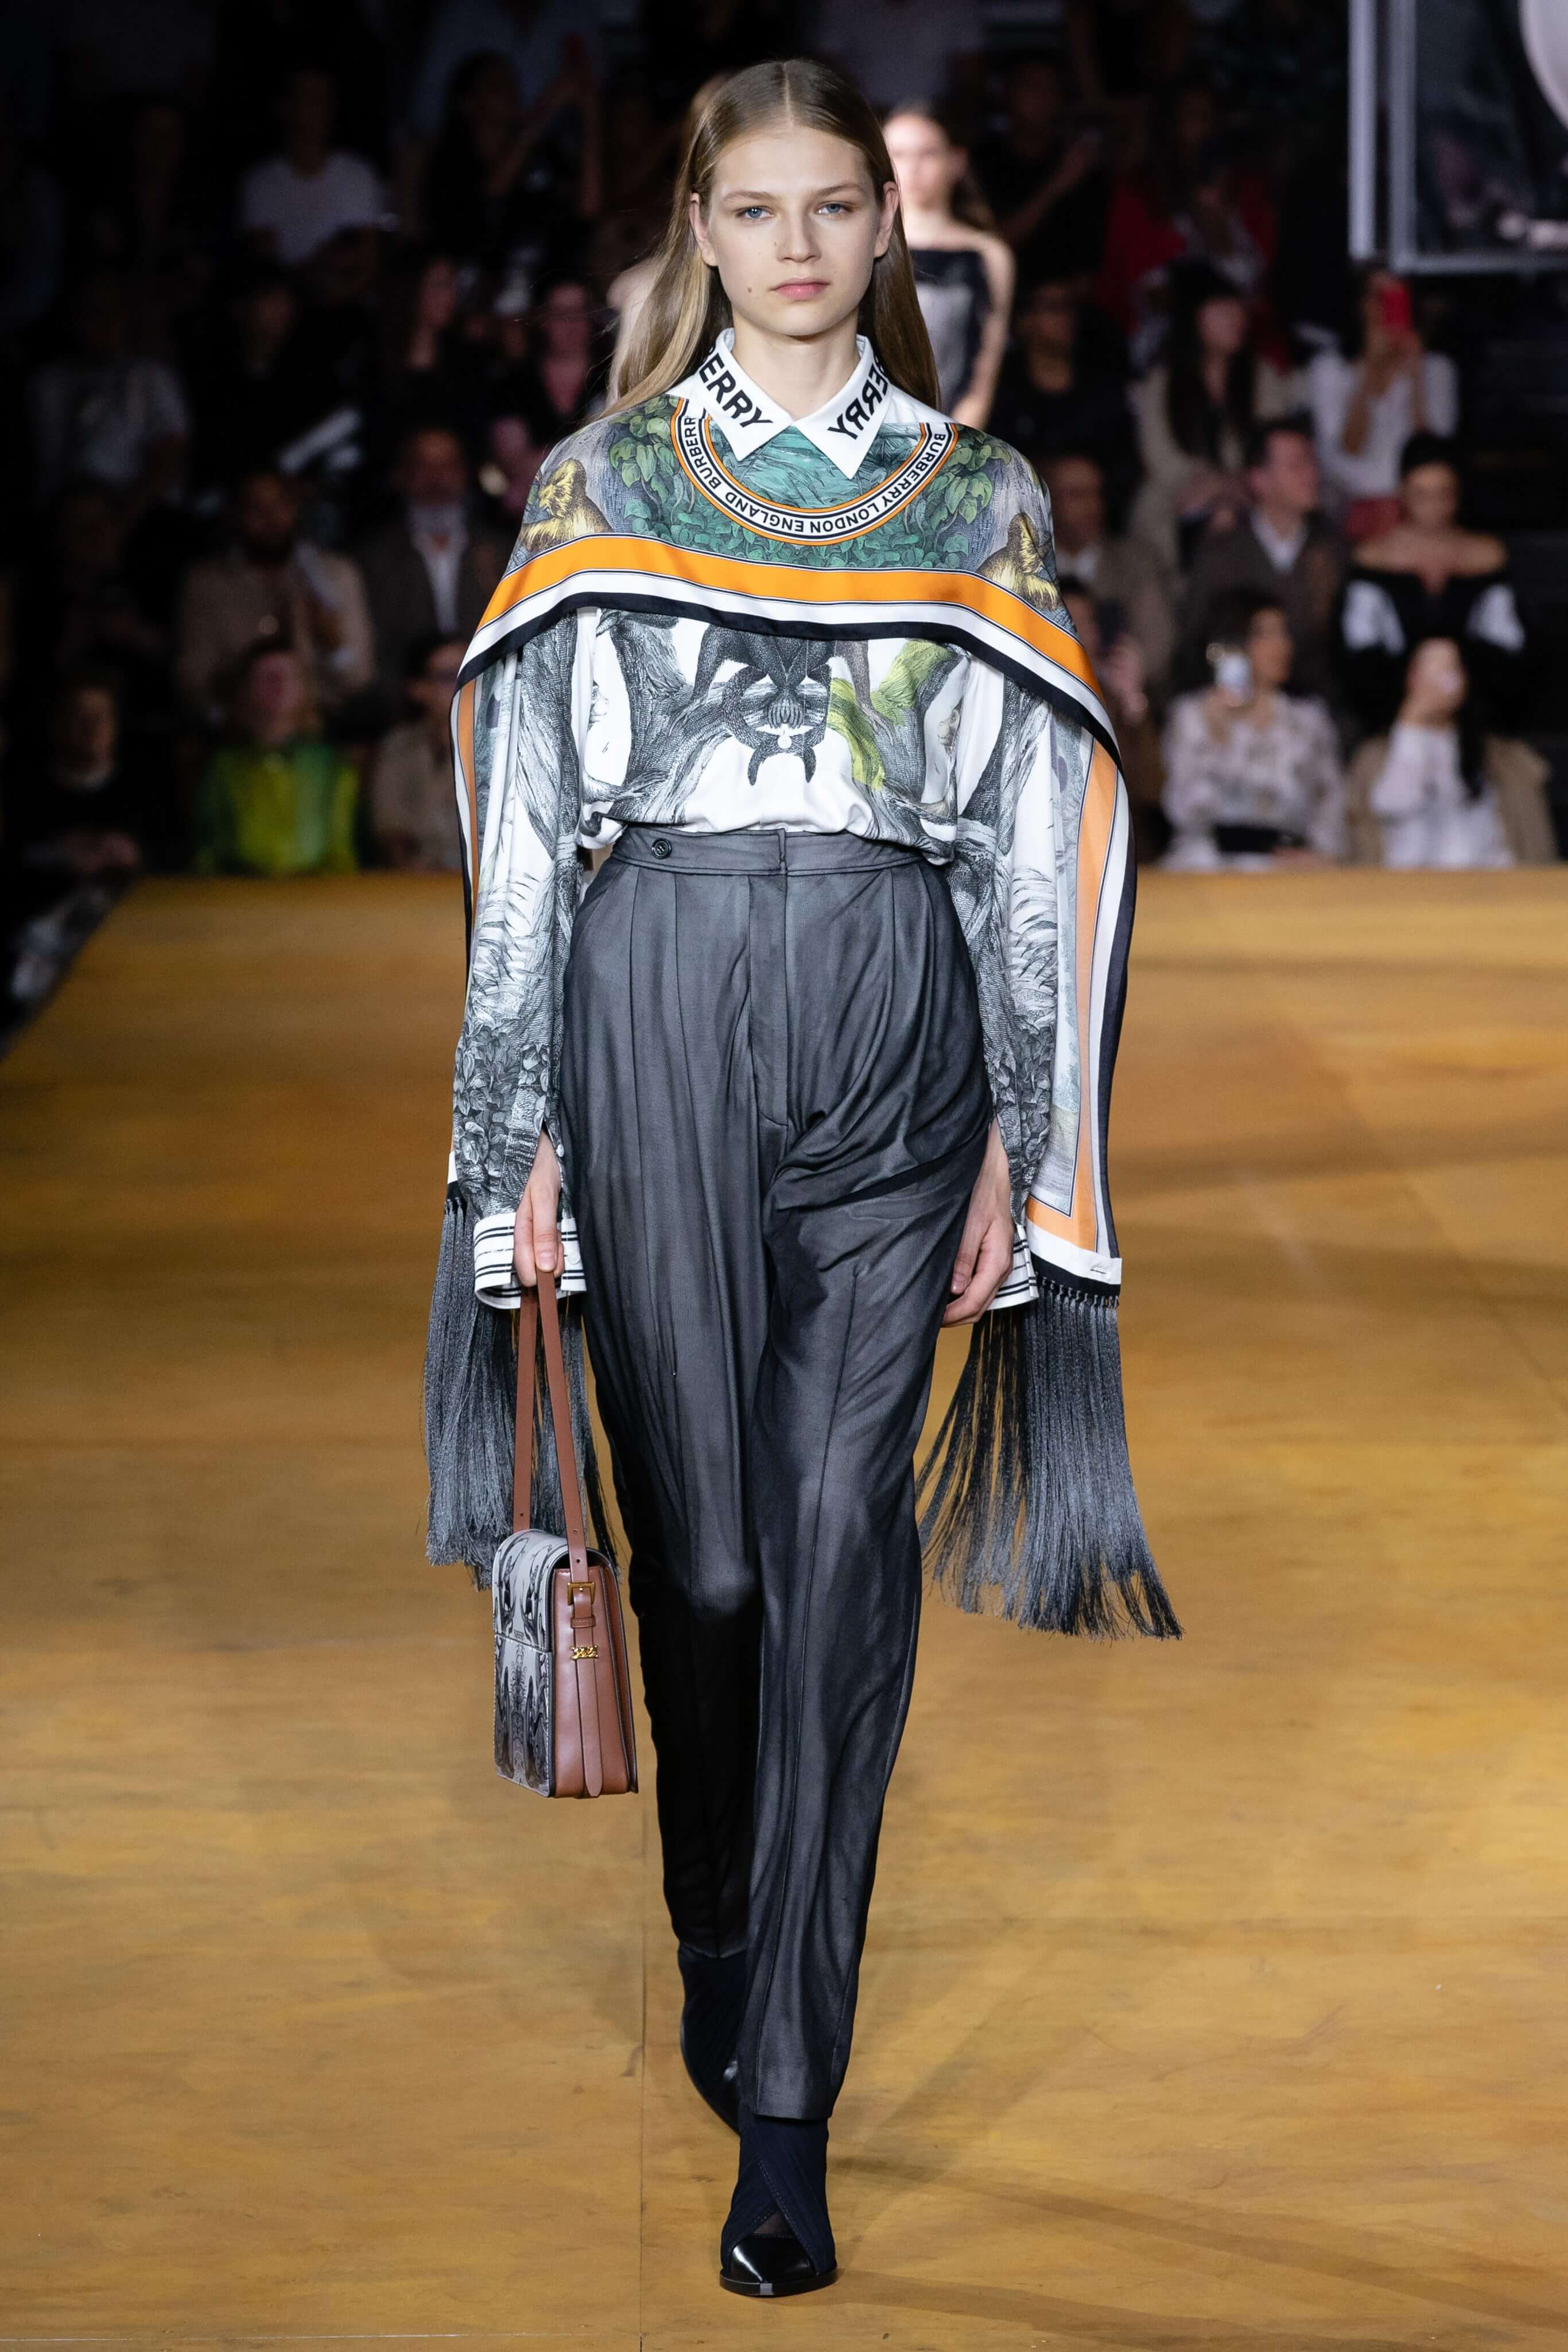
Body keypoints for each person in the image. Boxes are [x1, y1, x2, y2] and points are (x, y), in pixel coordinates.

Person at [425, 57, 1175, 2308]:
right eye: (752, 209)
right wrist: (511, 1138)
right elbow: (519, 831)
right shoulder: (606, 479)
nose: (795, 247)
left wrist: (1028, 1142)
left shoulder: (974, 495)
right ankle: (712, 1912)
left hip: (892, 1012)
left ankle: (786, 2107)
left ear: (882, 228)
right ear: (699, 229)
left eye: (833, 206)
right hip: (649, 998)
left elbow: (1034, 833)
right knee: (715, 1563)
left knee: (842, 1546)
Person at [1336, 434, 1529, 738]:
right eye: (1421, 494)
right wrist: (1415, 702)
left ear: (1458, 493)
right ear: (1402, 492)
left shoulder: (1486, 556)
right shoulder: (1373, 559)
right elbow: (1359, 652)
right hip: (1391, 721)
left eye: (1443, 493)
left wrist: (1455, 693)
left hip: (1475, 720)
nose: (1433, 506)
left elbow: (1507, 647)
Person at [174, 467, 374, 728]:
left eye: (281, 505)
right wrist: (234, 717)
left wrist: (333, 644)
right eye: (256, 509)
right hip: (235, 730)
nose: (271, 520)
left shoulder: (336, 576)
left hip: (323, 726)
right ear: (235, 514)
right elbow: (193, 679)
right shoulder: (208, 583)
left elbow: (358, 679)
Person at [1161, 589, 1344, 870]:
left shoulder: (1309, 719)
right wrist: (1219, 739)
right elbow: (1185, 810)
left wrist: (1321, 855)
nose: (1281, 645)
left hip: (1288, 869)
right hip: (1208, 869)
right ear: (1232, 643)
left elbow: (1330, 802)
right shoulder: (1193, 714)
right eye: (1263, 634)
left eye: (1283, 632)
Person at [1130, 261, 1295, 573]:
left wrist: (1232, 486)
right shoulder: (1162, 382)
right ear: (1194, 319)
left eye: (1238, 310)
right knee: (1161, 517)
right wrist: (1211, 485)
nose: (1236, 319)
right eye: (1222, 311)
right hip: (1181, 492)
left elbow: (1272, 445)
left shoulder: (1263, 377)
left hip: (1249, 489)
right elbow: (1160, 457)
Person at [1345, 638, 1558, 870]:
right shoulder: (1378, 754)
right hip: (1408, 881)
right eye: (1430, 670)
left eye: (1450, 669)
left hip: (1484, 877)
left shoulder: (1499, 756)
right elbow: (1395, 804)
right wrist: (1411, 724)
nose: (1440, 681)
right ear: (1411, 678)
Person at [1181, 418, 1344, 700]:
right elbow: (1198, 641)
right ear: (1259, 480)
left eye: (1312, 463)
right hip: (1235, 703)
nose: (1311, 474)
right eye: (1296, 466)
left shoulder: (1334, 551)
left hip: (1318, 706)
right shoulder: (1221, 554)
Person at [356, 425, 507, 708]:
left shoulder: (501, 551)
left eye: (447, 466)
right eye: (423, 466)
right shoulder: (375, 558)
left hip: (491, 701)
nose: (437, 479)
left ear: (465, 473)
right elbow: (371, 650)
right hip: (401, 707)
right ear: (401, 476)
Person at [884, 104, 1012, 425]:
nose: (912, 168)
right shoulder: (859, 245)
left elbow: (984, 371)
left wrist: (955, 445)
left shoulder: (989, 254)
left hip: (955, 432)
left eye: (928, 154)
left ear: (956, 161)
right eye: (898, 154)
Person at [1308, 270, 1459, 538]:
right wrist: (1368, 372)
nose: (1385, 308)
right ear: (1360, 305)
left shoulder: (1437, 368)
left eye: (1397, 298)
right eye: (1378, 297)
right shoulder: (1329, 368)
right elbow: (1349, 447)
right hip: (1348, 506)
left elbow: (1430, 453)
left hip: (1418, 509)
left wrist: (1416, 378)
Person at [28, 271, 189, 513]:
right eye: (88, 313)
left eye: (109, 312)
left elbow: (169, 456)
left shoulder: (150, 378)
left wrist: (120, 520)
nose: (100, 324)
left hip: (136, 513)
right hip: (61, 512)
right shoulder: (48, 382)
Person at [192, 641, 358, 875]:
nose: (280, 685)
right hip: (239, 890)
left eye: (289, 676)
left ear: (305, 688)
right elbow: (209, 850)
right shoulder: (223, 766)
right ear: (245, 688)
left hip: (318, 889)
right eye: (267, 677)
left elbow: (341, 851)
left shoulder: (331, 766)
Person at [987, 276, 1136, 506]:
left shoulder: (1100, 381)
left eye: (1071, 307)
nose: (1068, 317)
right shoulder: (1000, 388)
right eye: (1055, 308)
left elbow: (1124, 459)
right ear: (1024, 321)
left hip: (1100, 508)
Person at [1042, 450, 1175, 705]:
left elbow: (1159, 647)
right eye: (1076, 495)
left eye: (1096, 494)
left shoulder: (1137, 564)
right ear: (1047, 502)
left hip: (1125, 702)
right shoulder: (1025, 567)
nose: (1091, 506)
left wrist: (1129, 682)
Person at [972, 53, 1109, 289]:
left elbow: (1094, 260)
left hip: (1065, 299)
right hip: (998, 291)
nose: (1044, 99)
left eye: (1052, 89)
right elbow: (991, 245)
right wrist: (1057, 186)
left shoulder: (1080, 162)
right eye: (1032, 87)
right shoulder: (981, 163)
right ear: (1006, 92)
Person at [1058, 573, 1167, 861]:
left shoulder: (1118, 704)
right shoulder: (1017, 700)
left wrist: (1133, 704)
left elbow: (1152, 794)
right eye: (1067, 620)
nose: (1078, 632)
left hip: (1114, 856)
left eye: (1087, 622)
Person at [238, 66, 385, 269]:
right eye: (308, 97)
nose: (318, 109)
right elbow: (263, 265)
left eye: (324, 99)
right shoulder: (261, 183)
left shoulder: (358, 176)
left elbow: (367, 262)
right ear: (283, 107)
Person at [368, 631, 465, 870]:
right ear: (418, 688)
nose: (464, 684)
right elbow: (391, 835)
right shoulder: (397, 750)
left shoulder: (506, 745)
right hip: (417, 883)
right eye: (449, 677)